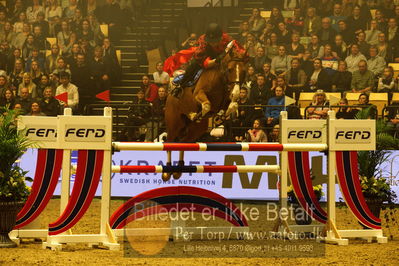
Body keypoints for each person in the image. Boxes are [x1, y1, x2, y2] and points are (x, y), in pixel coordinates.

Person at [171, 23, 232, 95]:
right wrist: (217, 59)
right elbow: (203, 62)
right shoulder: (202, 41)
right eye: (211, 41)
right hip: (204, 56)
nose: (212, 43)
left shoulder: (227, 38)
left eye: (215, 41)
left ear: (221, 37)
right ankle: (181, 85)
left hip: (222, 56)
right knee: (192, 66)